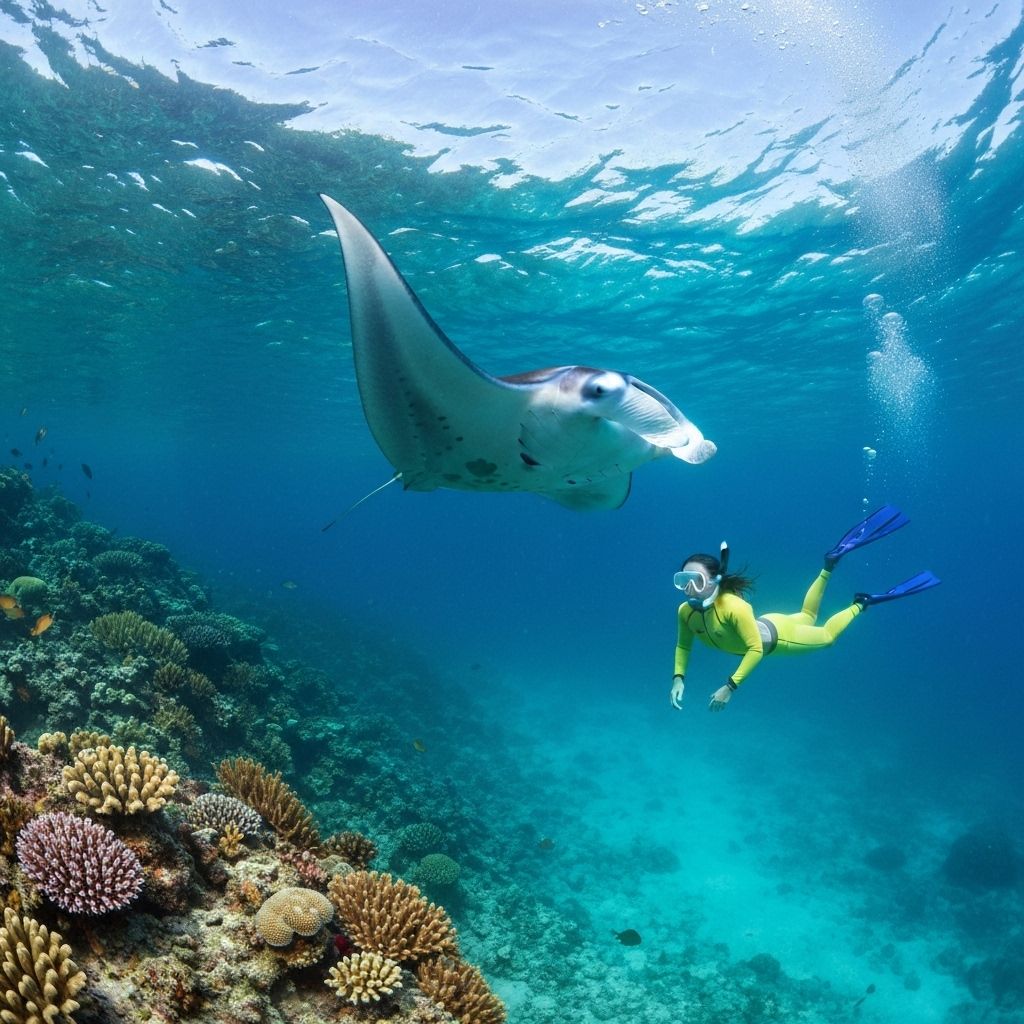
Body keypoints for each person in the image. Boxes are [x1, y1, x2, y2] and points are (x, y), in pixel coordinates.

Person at [669, 505, 940, 712]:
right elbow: (683, 646)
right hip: (770, 621)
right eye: (682, 580)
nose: (689, 588)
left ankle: (861, 603)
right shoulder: (685, 612)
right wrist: (678, 678)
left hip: (781, 638)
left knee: (827, 637)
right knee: (808, 615)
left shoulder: (733, 606)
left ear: (714, 581)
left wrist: (730, 687)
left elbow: (755, 649)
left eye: (697, 580)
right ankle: (828, 565)